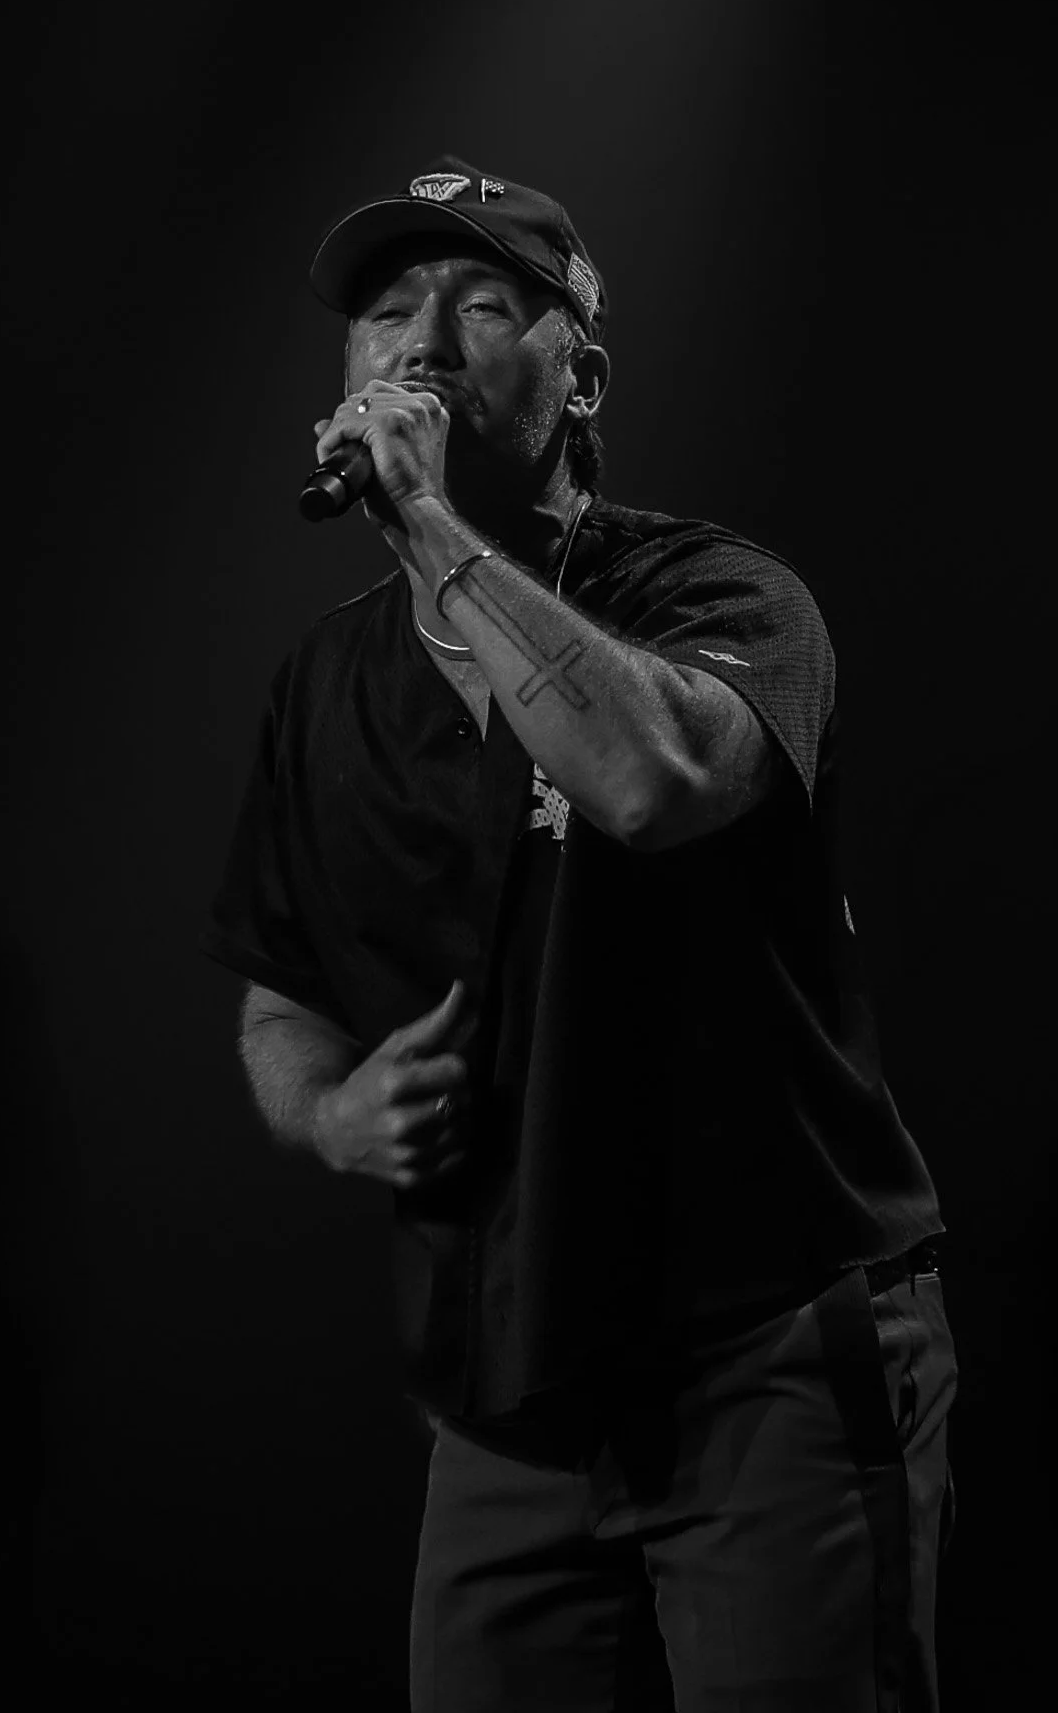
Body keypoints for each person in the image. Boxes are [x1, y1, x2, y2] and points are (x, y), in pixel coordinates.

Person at [202, 155, 957, 1712]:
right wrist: (333, 1111)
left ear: (580, 375)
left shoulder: (720, 596)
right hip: (507, 1401)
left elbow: (650, 778)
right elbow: (280, 993)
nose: (418, 341)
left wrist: (425, 521)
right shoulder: (321, 687)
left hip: (758, 1353)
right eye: (386, 313)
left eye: (482, 306)